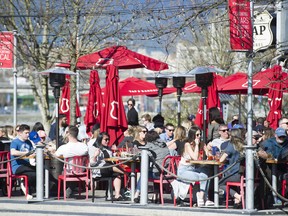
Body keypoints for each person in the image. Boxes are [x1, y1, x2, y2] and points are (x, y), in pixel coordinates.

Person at [172, 126, 213, 207]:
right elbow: (195, 157)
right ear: (192, 135)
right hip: (184, 170)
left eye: (200, 134)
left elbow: (209, 154)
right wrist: (197, 145)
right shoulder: (187, 145)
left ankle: (202, 196)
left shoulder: (201, 143)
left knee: (205, 174)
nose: (199, 136)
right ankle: (204, 198)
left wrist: (208, 150)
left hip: (194, 168)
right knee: (203, 176)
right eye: (197, 135)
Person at [133, 130, 170, 203]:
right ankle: (156, 196)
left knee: (144, 174)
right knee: (155, 169)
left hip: (159, 173)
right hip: (167, 172)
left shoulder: (149, 146)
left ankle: (137, 194)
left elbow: (142, 155)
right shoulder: (163, 143)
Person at [89, 132, 125, 201]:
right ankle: (125, 173)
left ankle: (117, 195)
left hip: (109, 169)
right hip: (99, 169)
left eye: (108, 139)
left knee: (117, 174)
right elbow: (92, 164)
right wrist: (95, 156)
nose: (108, 141)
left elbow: (111, 159)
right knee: (109, 166)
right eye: (106, 139)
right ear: (100, 139)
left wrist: (116, 152)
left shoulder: (108, 148)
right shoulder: (93, 148)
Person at [219, 128, 244, 208]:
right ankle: (236, 202)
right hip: (242, 174)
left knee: (219, 184)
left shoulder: (231, 145)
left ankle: (238, 196)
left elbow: (221, 159)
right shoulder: (244, 144)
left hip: (234, 174)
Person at [10, 124, 36, 200]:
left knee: (41, 170)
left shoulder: (29, 142)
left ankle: (30, 189)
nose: (28, 135)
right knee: (33, 174)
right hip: (17, 166)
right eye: (26, 133)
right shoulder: (15, 142)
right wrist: (25, 153)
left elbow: (32, 152)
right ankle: (24, 186)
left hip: (27, 165)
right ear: (20, 133)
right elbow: (13, 152)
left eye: (28, 133)